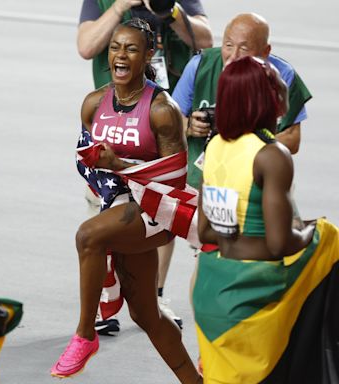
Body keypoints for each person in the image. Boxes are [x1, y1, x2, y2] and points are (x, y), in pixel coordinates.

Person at [51, 19, 202, 382]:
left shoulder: (162, 110)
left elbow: (173, 179)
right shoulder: (92, 104)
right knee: (146, 314)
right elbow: (84, 158)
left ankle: (85, 335)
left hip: (157, 213)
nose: (121, 54)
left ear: (148, 54)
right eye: (116, 47)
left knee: (88, 236)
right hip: (119, 206)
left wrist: (119, 165)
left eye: (131, 48)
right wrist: (108, 180)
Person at [194, 56, 339, 383]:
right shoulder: (272, 155)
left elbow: (205, 230)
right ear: (269, 96)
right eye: (276, 78)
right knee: (330, 238)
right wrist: (310, 231)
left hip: (210, 292)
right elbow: (279, 243)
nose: (284, 81)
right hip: (252, 297)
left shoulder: (215, 145)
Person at [78, 0, 213, 334]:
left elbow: (206, 38)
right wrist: (122, 4)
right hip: (116, 112)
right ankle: (102, 300)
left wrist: (171, 11)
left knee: (164, 203)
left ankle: (156, 292)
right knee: (103, 212)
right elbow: (86, 45)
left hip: (162, 113)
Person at [172, 12, 311, 191]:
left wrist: (241, 145)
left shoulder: (281, 75)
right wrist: (190, 125)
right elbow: (171, 123)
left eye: (244, 49)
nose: (233, 56)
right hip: (202, 177)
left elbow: (292, 140)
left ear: (265, 51)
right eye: (228, 45)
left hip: (256, 180)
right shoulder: (200, 65)